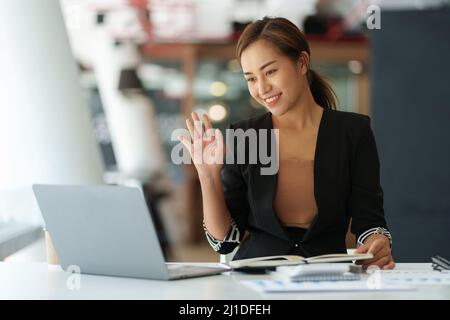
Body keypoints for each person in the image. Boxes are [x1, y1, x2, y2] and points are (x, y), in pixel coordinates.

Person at [178, 17, 394, 270]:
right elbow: (224, 243)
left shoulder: (352, 132)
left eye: (270, 71)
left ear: (302, 63)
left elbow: (370, 221)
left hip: (327, 278)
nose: (262, 88)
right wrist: (208, 176)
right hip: (255, 282)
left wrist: (378, 240)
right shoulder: (246, 135)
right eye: (251, 78)